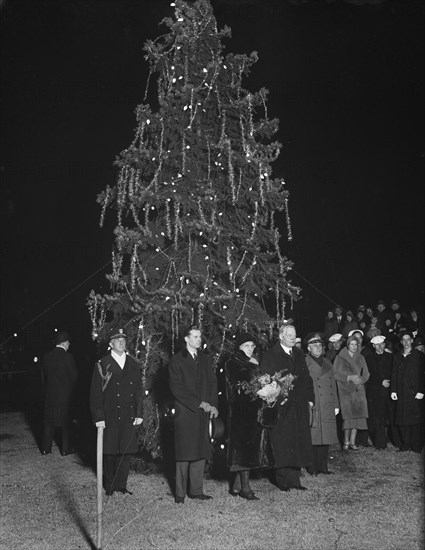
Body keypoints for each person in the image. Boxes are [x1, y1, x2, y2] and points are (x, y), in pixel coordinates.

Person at [260, 324, 314, 492]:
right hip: (281, 406)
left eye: (294, 335)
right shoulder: (270, 354)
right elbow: (267, 380)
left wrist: (310, 399)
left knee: (297, 442)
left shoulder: (298, 354)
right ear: (281, 337)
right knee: (283, 443)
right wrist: (279, 398)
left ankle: (295, 480)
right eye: (289, 335)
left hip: (298, 405)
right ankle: (283, 481)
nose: (292, 337)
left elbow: (306, 377)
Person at [90, 328, 143, 496]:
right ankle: (110, 485)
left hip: (128, 415)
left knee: (125, 452)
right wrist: (98, 417)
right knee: (110, 452)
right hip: (110, 415)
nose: (121, 342)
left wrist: (139, 413)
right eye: (117, 339)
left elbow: (138, 392)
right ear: (111, 344)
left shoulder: (133, 364)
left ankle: (122, 485)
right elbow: (95, 394)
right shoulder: (102, 365)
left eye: (123, 339)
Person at [169, 325, 218, 504]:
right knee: (184, 452)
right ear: (186, 339)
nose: (199, 340)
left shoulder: (205, 359)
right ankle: (180, 494)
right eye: (195, 337)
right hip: (185, 412)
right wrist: (199, 403)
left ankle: (196, 491)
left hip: (204, 412)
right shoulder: (177, 360)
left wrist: (213, 405)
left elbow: (213, 383)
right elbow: (176, 388)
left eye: (200, 336)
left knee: (200, 449)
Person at [225, 333, 272, 500]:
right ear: (239, 347)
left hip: (253, 410)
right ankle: (246, 488)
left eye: (252, 346)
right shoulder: (233, 363)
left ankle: (237, 486)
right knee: (243, 450)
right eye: (246, 346)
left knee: (246, 447)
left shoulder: (253, 362)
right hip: (240, 411)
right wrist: (259, 384)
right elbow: (241, 384)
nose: (250, 349)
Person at [304, 333, 339, 476]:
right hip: (314, 403)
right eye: (314, 345)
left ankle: (323, 467)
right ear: (308, 348)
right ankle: (312, 467)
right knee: (314, 436)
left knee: (326, 437)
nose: (318, 348)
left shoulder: (328, 362)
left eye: (320, 345)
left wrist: (336, 404)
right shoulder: (304, 363)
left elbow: (333, 385)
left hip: (327, 403)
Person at [41, 331, 78, 456]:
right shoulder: (68, 357)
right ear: (64, 342)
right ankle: (65, 449)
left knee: (49, 423)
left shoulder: (46, 356)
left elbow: (44, 377)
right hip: (65, 396)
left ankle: (46, 449)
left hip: (50, 395)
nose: (69, 344)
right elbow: (74, 376)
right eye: (68, 342)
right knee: (66, 424)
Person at [333, 335, 370, 451]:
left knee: (358, 417)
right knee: (348, 417)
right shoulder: (340, 357)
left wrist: (362, 380)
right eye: (352, 344)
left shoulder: (361, 357)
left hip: (358, 390)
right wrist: (348, 377)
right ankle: (346, 442)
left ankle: (353, 442)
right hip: (345, 391)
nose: (354, 347)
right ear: (347, 345)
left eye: (356, 344)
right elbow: (334, 374)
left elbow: (367, 373)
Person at [390, 332, 425, 453]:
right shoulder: (397, 356)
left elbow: (422, 375)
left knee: (415, 420)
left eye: (408, 339)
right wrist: (393, 390)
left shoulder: (419, 355)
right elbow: (394, 373)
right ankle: (405, 445)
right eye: (403, 339)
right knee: (403, 419)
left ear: (412, 340)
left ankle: (416, 446)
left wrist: (421, 390)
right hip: (401, 392)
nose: (405, 342)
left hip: (415, 392)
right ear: (401, 342)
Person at [366, 335, 395, 450]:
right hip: (377, 391)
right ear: (373, 346)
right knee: (379, 417)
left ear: (384, 344)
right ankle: (380, 442)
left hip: (390, 390)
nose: (380, 347)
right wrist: (380, 381)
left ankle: (395, 440)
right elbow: (369, 375)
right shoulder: (369, 358)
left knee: (391, 415)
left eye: (382, 344)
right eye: (377, 345)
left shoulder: (390, 357)